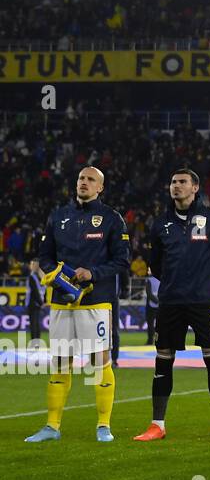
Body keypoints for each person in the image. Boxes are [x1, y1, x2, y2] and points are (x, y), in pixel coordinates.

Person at [25, 166, 130, 444]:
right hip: (61, 301)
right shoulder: (59, 216)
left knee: (99, 362)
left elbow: (122, 260)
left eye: (90, 179)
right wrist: (56, 275)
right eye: (81, 178)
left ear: (100, 188)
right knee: (60, 363)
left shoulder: (111, 218)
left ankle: (103, 425)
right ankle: (52, 426)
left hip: (96, 302)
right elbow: (44, 256)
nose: (84, 182)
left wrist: (92, 274)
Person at [134, 169, 210, 442]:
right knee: (162, 362)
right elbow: (155, 264)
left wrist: (203, 283)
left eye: (182, 182)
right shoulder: (160, 223)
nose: (176, 186)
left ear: (195, 187)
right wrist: (175, 283)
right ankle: (157, 424)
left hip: (203, 302)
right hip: (170, 302)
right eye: (173, 182)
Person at [25, 260, 44, 348]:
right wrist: (42, 302)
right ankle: (36, 343)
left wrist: (40, 302)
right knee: (36, 323)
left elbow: (35, 291)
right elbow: (40, 290)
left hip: (33, 303)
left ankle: (34, 343)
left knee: (34, 324)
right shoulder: (37, 277)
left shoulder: (32, 277)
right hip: (37, 303)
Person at [144, 270, 160, 346]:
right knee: (159, 325)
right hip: (160, 305)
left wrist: (156, 301)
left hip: (151, 305)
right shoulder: (162, 279)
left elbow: (149, 293)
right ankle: (158, 340)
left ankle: (150, 340)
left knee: (150, 324)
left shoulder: (149, 280)